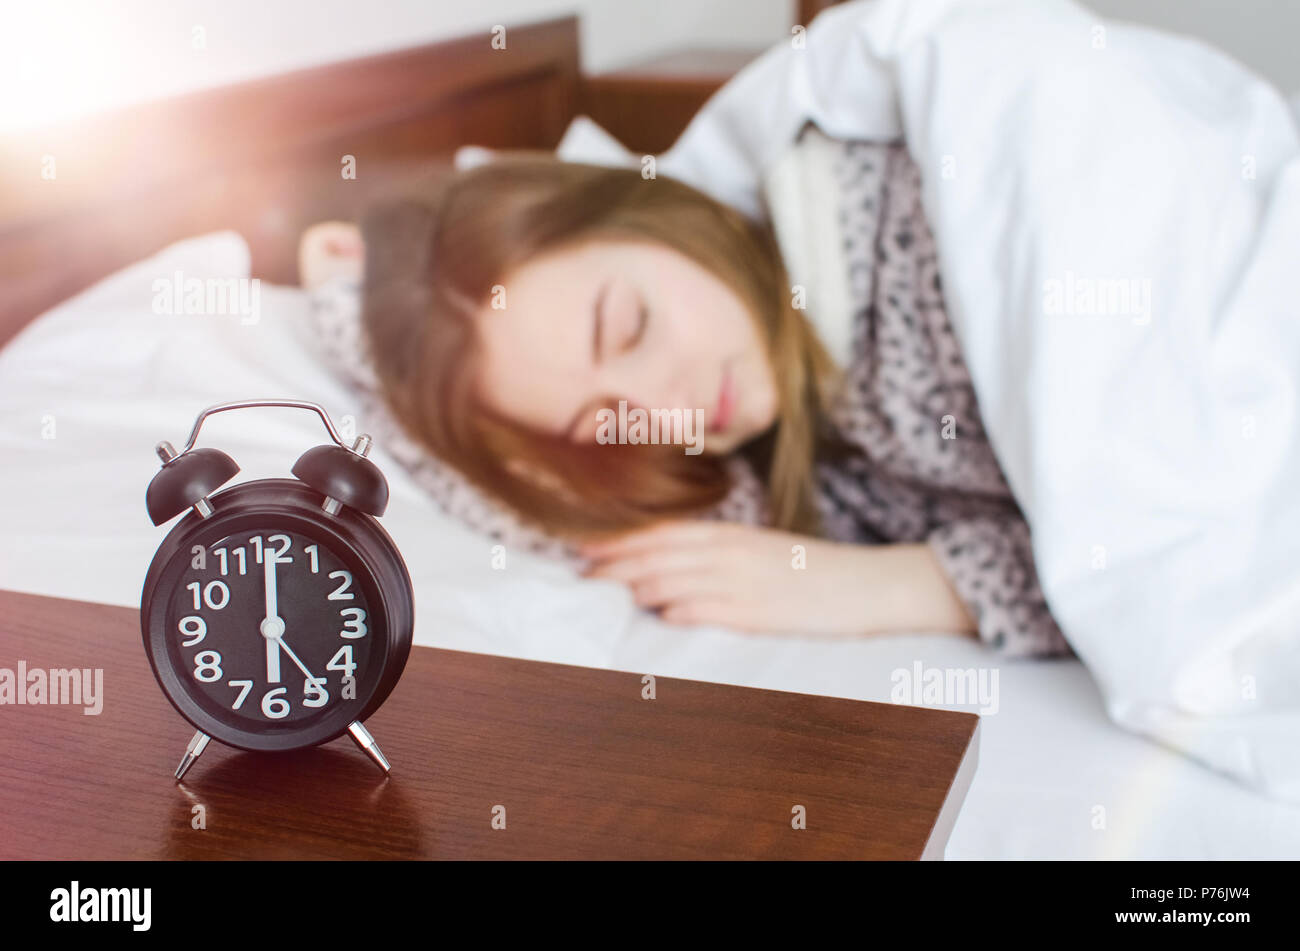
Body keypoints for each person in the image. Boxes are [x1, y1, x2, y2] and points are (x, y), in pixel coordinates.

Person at [298, 148, 1069, 656]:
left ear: (645, 212)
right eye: (604, 421)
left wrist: (908, 584)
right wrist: (358, 312)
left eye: (628, 327)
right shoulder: (765, 457)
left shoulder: (910, 239)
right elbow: (560, 519)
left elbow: (1151, 547)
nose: (664, 413)